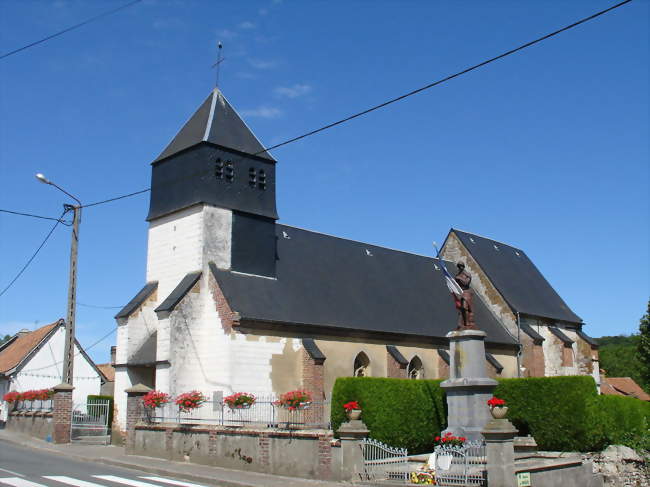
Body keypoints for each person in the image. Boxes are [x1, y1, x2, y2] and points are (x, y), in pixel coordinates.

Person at [454, 263, 478, 330]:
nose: (460, 267)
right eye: (459, 266)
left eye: (461, 266)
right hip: (460, 292)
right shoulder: (457, 276)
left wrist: (459, 278)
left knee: (465, 307)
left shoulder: (468, 275)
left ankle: (467, 323)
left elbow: (466, 283)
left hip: (467, 292)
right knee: (461, 309)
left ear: (463, 266)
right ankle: (462, 324)